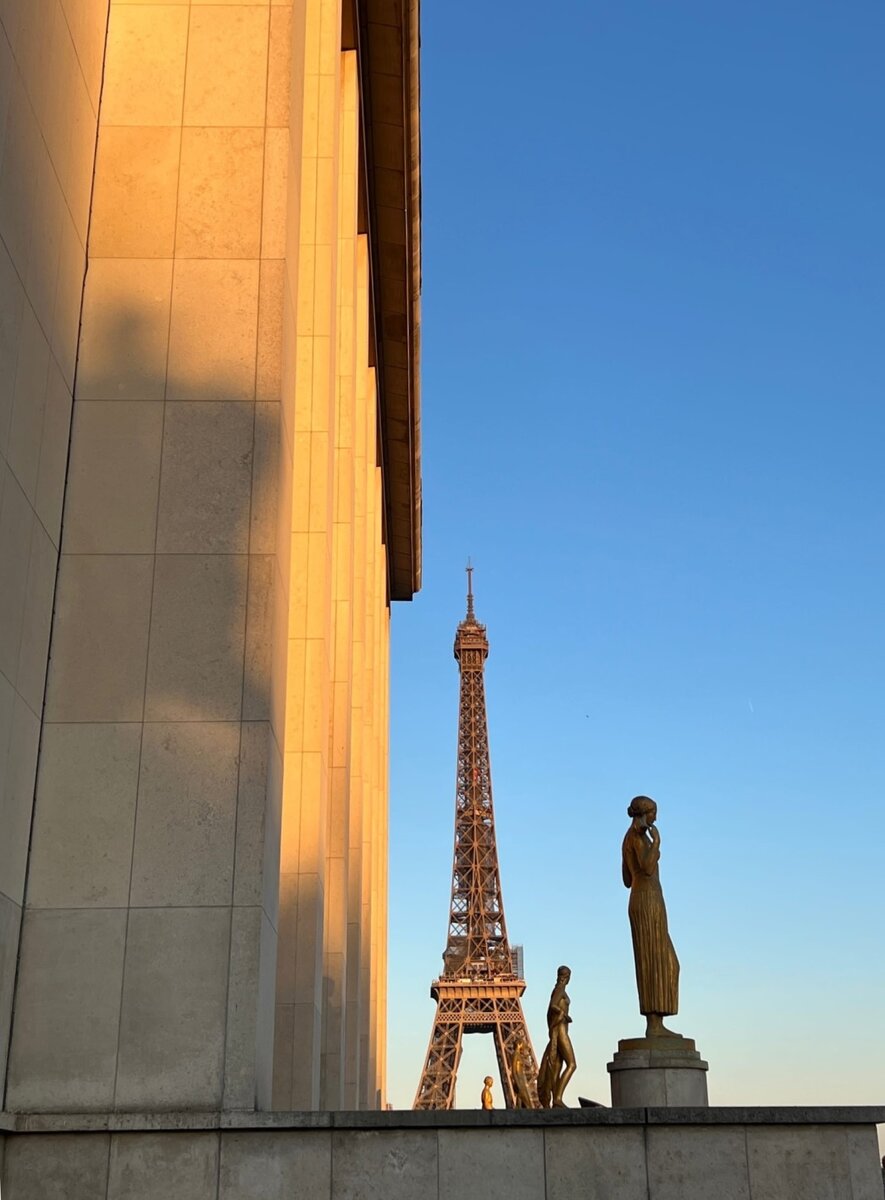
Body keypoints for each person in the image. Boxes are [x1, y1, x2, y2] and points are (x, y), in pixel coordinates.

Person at [622, 796, 680, 1037]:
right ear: (644, 813)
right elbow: (645, 868)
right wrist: (657, 843)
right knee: (656, 960)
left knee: (667, 963)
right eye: (654, 812)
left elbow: (626, 879)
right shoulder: (636, 837)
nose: (656, 818)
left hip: (644, 897)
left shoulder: (631, 838)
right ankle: (654, 1025)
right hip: (647, 900)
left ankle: (657, 1022)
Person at [536, 965, 576, 1107]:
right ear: (567, 977)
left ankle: (557, 1098)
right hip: (560, 1031)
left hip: (559, 1029)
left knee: (557, 1067)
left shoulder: (559, 989)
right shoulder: (560, 990)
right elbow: (553, 1005)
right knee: (572, 1064)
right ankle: (558, 1098)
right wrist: (564, 1015)